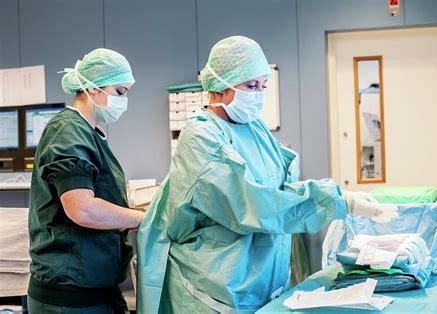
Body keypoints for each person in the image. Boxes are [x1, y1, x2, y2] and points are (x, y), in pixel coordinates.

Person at [137, 36, 396, 313]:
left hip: (262, 283)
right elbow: (254, 202)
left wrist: (343, 195)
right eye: (251, 86)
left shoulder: (255, 128)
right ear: (221, 85)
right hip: (215, 291)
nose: (259, 94)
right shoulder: (201, 137)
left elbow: (281, 189)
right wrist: (338, 201)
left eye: (263, 86)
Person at [28, 48, 144, 314]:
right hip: (69, 293)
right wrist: (143, 218)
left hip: (94, 288)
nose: (123, 101)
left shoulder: (90, 133)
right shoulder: (67, 130)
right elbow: (82, 209)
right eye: (119, 92)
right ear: (92, 89)